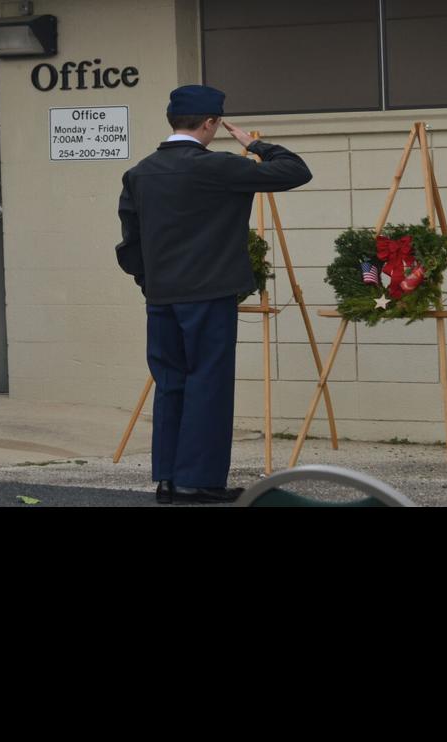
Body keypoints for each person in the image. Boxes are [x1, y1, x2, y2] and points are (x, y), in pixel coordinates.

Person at [116, 84, 311, 504]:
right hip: (208, 295)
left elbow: (130, 243)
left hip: (162, 295)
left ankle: (168, 480)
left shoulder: (140, 172)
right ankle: (198, 481)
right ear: (211, 123)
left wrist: (150, 283)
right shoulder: (218, 167)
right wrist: (256, 144)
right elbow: (295, 170)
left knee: (171, 383)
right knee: (208, 383)